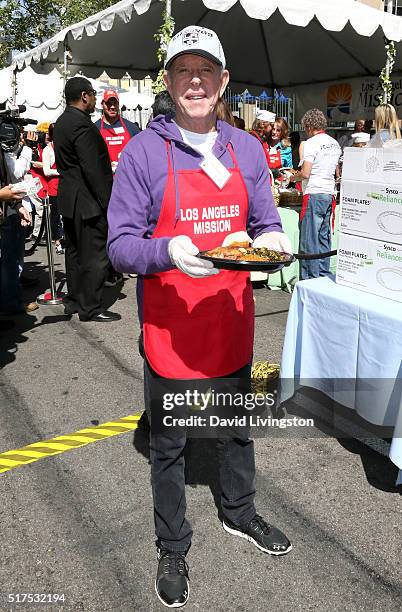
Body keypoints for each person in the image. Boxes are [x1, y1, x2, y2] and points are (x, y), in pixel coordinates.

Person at [107, 25, 292, 609]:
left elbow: (265, 225)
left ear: (223, 81)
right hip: (171, 332)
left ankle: (240, 512)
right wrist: (168, 252)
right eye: (183, 70)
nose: (195, 81)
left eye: (205, 70)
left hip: (232, 320)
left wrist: (271, 241)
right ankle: (173, 544)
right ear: (168, 82)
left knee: (238, 432)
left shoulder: (247, 149)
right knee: (170, 446)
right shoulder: (142, 152)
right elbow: (119, 246)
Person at [54, 77, 120, 322]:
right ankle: (90, 307)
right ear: (84, 96)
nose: (94, 99)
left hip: (70, 198)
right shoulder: (81, 125)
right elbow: (93, 169)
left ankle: (73, 300)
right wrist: (108, 202)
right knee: (94, 254)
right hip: (88, 201)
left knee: (74, 252)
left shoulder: (62, 121)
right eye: (93, 94)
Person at [293, 108, 341, 280]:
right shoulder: (334, 143)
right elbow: (336, 170)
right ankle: (322, 274)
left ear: (308, 126)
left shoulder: (311, 143)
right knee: (323, 237)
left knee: (309, 239)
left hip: (314, 191)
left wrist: (292, 177)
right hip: (329, 193)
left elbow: (305, 173)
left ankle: (309, 278)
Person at [0, 129, 35, 315]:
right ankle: (9, 303)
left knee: (12, 259)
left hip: (10, 209)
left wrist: (17, 203)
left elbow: (4, 180)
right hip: (7, 212)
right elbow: (15, 172)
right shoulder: (7, 153)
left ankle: (10, 301)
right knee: (8, 261)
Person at [95, 89, 140, 174]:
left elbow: (140, 154)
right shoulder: (94, 129)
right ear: (102, 104)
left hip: (127, 180)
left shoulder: (131, 128)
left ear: (118, 104)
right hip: (104, 182)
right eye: (108, 103)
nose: (112, 107)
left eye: (115, 103)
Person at [42, 123, 64, 254]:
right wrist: (60, 171)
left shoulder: (65, 147)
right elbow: (46, 171)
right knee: (55, 215)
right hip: (54, 186)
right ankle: (57, 240)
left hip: (66, 184)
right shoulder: (47, 150)